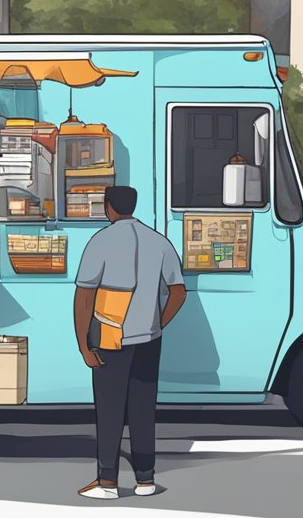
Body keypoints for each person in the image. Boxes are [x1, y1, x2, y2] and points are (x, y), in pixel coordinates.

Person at [73, 185, 187, 500]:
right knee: (142, 408)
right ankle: (146, 480)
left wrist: (84, 344)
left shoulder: (100, 242)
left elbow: (84, 296)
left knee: (109, 410)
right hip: (149, 339)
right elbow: (178, 292)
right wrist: (157, 322)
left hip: (110, 338)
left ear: (108, 207)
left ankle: (107, 482)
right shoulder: (160, 243)